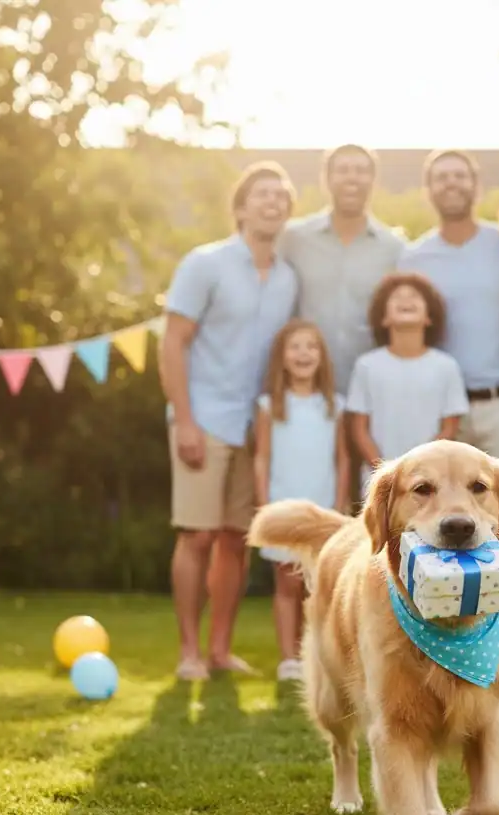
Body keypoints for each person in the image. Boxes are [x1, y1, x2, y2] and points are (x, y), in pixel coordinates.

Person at [159, 161, 298, 682]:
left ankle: (220, 650)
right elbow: (173, 342)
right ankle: (188, 651)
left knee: (237, 538)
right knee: (196, 535)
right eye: (262, 195)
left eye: (281, 196)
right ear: (240, 208)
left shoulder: (287, 277)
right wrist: (186, 422)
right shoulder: (206, 263)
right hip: (204, 419)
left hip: (251, 426)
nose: (272, 202)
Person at [398, 149, 499, 463]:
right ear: (429, 192)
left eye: (459, 176)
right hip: (438, 407)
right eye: (441, 177)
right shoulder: (413, 258)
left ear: (476, 187)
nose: (451, 183)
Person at [253, 319, 349, 682]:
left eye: (311, 346)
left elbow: (342, 459)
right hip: (282, 504)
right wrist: (265, 505)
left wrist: (339, 504)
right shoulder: (269, 406)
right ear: (282, 358)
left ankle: (320, 655)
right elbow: (261, 457)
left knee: (320, 585)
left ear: (322, 357)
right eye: (295, 347)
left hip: (322, 508)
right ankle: (288, 658)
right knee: (286, 584)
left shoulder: (333, 405)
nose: (304, 353)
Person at [279, 144, 405, 394]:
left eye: (360, 170)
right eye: (343, 170)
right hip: (307, 389)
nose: (352, 177)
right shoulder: (293, 239)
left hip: (371, 390)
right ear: (326, 179)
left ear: (373, 180)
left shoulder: (395, 248)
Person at [346, 272, 469, 493]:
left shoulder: (446, 366)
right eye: (396, 297)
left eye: (414, 296)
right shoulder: (367, 365)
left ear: (429, 317)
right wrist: (385, 471)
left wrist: (419, 469)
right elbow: (359, 429)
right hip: (378, 482)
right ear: (383, 318)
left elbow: (449, 428)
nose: (405, 300)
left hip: (431, 482)